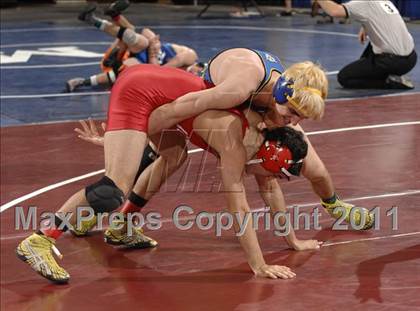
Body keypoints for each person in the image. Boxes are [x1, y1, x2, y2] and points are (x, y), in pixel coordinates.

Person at [16, 100, 321, 283]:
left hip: (167, 108)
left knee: (174, 156)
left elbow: (268, 186)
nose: (276, 181)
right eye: (281, 174)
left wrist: (292, 240)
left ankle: (120, 225)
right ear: (270, 158)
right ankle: (41, 239)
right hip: (150, 98)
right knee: (112, 189)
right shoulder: (238, 144)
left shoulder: (263, 131)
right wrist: (259, 265)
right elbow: (240, 210)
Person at [144, 47, 373, 230]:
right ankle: (148, 154)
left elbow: (287, 116)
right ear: (281, 95)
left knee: (316, 170)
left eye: (302, 118)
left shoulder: (285, 100)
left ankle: (333, 205)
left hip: (263, 107)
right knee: (264, 166)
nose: (295, 123)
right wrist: (137, 132)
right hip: (226, 103)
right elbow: (181, 107)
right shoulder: (241, 86)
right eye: (294, 115)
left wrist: (282, 117)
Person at [66, 1, 202, 92]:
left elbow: (157, 72)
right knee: (140, 40)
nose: (195, 74)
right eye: (198, 72)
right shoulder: (188, 55)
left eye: (197, 76)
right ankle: (102, 17)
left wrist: (153, 52)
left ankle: (82, 82)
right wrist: (153, 42)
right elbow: (147, 31)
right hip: (126, 51)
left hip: (122, 63)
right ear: (197, 65)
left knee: (135, 68)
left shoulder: (179, 76)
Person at [315, 0, 417, 89]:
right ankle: (381, 74)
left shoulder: (364, 3)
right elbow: (379, 17)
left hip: (392, 62)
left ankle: (388, 82)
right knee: (373, 46)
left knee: (344, 77)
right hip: (411, 59)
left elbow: (334, 11)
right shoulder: (385, 2)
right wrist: (365, 27)